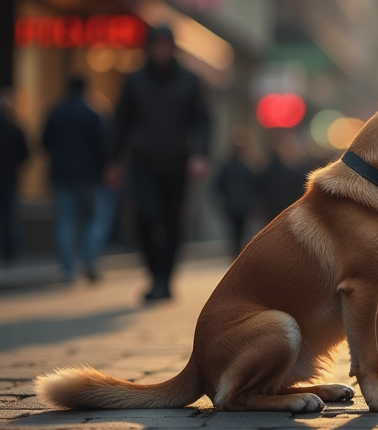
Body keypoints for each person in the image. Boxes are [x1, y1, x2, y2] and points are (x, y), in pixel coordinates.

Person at [108, 25, 211, 302]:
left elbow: (202, 120)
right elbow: (121, 122)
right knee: (143, 216)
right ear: (149, 48)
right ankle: (154, 274)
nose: (161, 51)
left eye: (166, 45)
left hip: (177, 162)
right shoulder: (135, 80)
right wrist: (114, 161)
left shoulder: (189, 81)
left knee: (172, 221)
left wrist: (200, 154)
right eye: (157, 45)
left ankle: (165, 278)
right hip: (142, 161)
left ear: (173, 48)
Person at [42, 76, 107, 283]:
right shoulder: (91, 114)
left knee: (65, 220)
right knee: (93, 219)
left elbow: (44, 140)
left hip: (61, 174)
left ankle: (68, 269)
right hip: (87, 176)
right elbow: (101, 145)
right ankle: (89, 260)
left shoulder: (56, 111)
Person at [0, 88, 29, 266]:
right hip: (9, 177)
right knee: (9, 216)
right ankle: (9, 252)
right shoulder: (15, 129)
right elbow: (25, 154)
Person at [213, 143, 257, 256]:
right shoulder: (247, 168)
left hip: (231, 205)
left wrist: (225, 197)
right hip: (244, 205)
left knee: (233, 230)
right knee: (242, 229)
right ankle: (238, 251)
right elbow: (254, 186)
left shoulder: (227, 168)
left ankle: (234, 251)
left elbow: (218, 185)